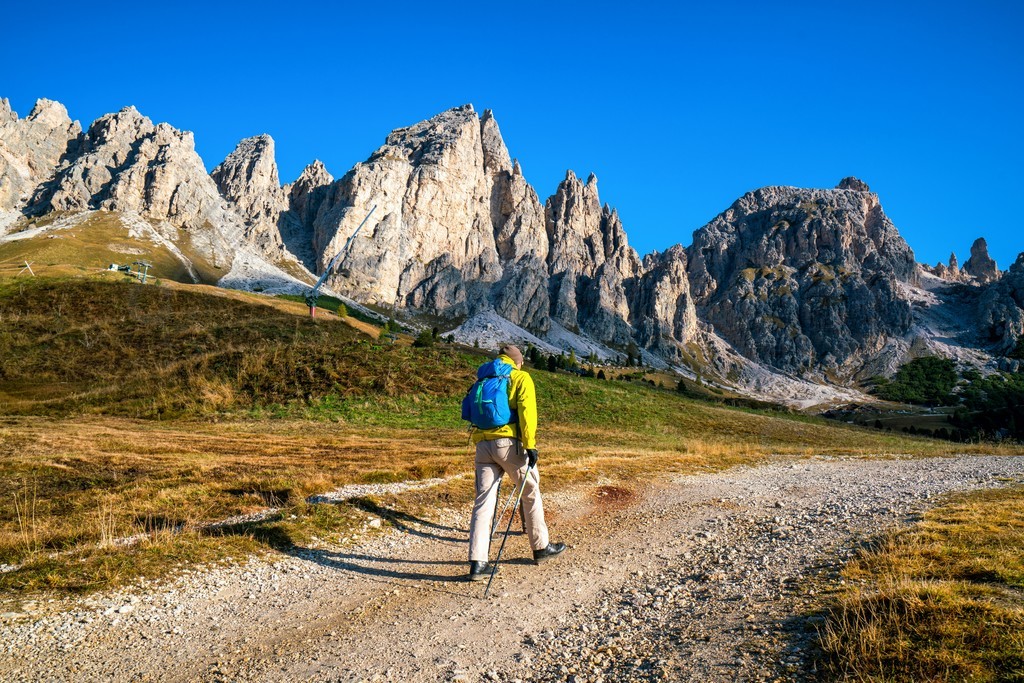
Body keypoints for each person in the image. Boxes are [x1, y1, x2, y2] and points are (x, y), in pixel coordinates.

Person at [467, 344, 565, 581]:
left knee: (483, 501)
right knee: (530, 490)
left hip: (482, 445)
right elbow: (527, 413)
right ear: (517, 361)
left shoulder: (483, 377)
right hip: (509, 445)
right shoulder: (520, 377)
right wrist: (530, 445)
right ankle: (541, 547)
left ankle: (478, 562)